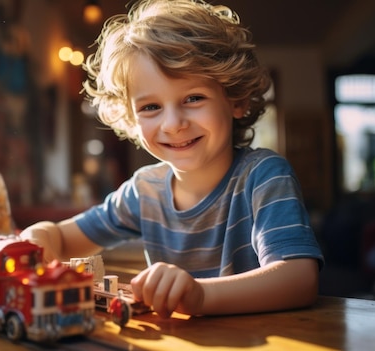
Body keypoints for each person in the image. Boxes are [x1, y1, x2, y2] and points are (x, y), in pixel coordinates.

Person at [20, 0, 324, 318]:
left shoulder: (264, 176)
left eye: (193, 98)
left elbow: (299, 279)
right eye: (151, 107)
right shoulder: (143, 190)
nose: (173, 124)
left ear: (237, 100)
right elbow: (61, 238)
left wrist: (200, 295)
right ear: (131, 118)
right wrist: (38, 237)